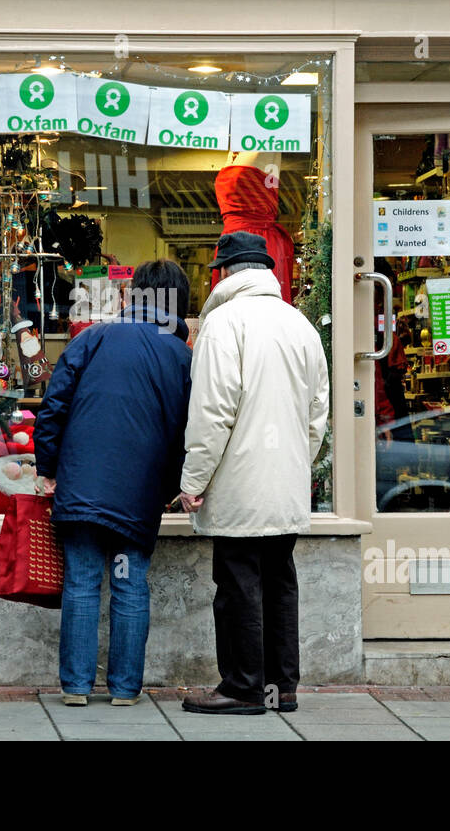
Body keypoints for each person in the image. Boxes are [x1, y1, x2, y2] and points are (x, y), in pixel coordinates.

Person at [178, 231, 329, 715]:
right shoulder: (299, 324)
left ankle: (243, 687)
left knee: (239, 583)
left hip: (240, 484)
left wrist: (192, 482)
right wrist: (293, 463)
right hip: (283, 482)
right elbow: (317, 413)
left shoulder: (223, 324)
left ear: (222, 272)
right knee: (280, 581)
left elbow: (211, 413)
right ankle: (281, 688)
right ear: (266, 272)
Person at [34, 260, 193, 707]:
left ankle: (76, 687)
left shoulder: (93, 339)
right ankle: (125, 690)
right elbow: (189, 431)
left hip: (82, 483)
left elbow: (53, 408)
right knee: (129, 581)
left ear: (132, 297)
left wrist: (47, 469)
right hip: (138, 492)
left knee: (82, 580)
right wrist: (174, 487)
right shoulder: (182, 356)